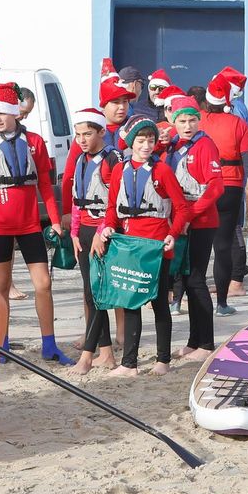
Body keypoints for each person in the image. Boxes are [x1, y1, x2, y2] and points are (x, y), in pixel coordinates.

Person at [0, 84, 71, 364]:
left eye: (3, 112)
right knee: (0, 284)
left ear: (16, 113)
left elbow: (47, 187)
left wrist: (55, 220)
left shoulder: (36, 142)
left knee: (43, 283)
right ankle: (1, 344)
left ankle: (49, 344)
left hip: (29, 226)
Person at [91, 118, 192, 376]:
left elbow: (181, 208)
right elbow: (112, 206)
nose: (146, 145)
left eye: (150, 140)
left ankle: (163, 360)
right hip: (128, 244)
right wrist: (108, 228)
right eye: (141, 140)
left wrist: (173, 234)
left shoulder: (162, 171)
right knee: (130, 301)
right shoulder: (119, 170)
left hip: (156, 246)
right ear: (131, 142)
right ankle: (129, 364)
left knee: (158, 302)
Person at [163, 97, 224, 359]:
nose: (187, 126)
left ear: (199, 120)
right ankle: (193, 340)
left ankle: (206, 343)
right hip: (180, 219)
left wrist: (191, 216)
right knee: (185, 280)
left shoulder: (205, 146)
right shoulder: (174, 146)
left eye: (192, 120)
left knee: (196, 279)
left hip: (200, 221)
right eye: (182, 121)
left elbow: (216, 186)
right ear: (173, 122)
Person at [200, 76, 248, 316]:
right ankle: (222, 304)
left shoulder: (197, 121)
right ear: (228, 99)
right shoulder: (238, 124)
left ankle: (178, 301)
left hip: (201, 187)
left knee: (196, 247)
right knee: (222, 246)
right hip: (230, 187)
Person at [62, 106, 118, 372]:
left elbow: (116, 201)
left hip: (103, 233)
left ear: (101, 132)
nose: (81, 140)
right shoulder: (81, 160)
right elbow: (76, 200)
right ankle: (106, 353)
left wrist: (100, 233)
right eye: (77, 135)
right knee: (90, 293)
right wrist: (74, 232)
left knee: (97, 293)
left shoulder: (112, 159)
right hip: (83, 231)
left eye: (87, 134)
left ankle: (86, 357)